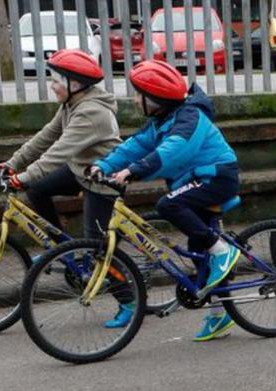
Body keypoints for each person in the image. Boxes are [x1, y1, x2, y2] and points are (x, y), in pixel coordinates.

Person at [90, 60, 242, 342]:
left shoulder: (190, 117)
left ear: (155, 98)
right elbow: (134, 145)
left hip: (216, 177)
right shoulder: (163, 120)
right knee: (199, 252)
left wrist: (134, 171)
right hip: (195, 181)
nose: (135, 100)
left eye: (139, 95)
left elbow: (174, 150)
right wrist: (104, 165)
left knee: (168, 205)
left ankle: (224, 251)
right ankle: (220, 315)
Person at [0, 48, 135, 328]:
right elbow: (46, 136)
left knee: (98, 250)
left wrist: (21, 177)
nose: (52, 85)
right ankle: (63, 252)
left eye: (56, 80)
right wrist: (12, 164)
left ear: (75, 84)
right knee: (37, 189)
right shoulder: (72, 104)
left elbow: (57, 153)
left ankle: (129, 301)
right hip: (79, 170)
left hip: (102, 181)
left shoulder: (91, 113)